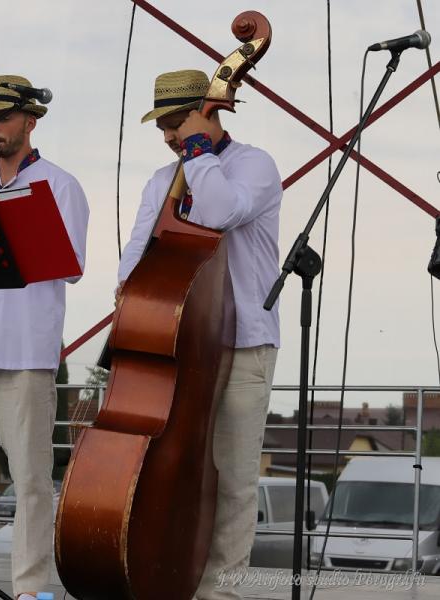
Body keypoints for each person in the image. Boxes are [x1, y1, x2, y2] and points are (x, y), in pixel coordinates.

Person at [118, 69, 282, 599]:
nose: (168, 136)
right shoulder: (160, 180)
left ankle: (221, 593)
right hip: (179, 345)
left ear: (205, 112)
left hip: (244, 344)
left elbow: (218, 211)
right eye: (163, 128)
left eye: (175, 124)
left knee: (233, 479)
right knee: (175, 470)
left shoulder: (253, 164)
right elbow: (135, 256)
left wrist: (196, 152)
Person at [0, 75, 90, 600]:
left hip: (24, 349)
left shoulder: (60, 185)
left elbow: (72, 266)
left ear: (30, 121)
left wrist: (22, 230)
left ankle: (30, 590)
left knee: (29, 477)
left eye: (2, 118)